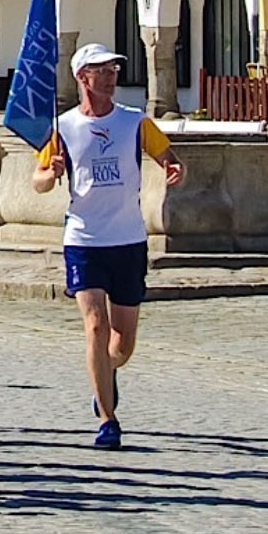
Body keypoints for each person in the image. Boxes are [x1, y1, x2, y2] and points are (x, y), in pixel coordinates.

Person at [32, 43, 184, 450]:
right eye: (102, 70)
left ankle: (105, 371)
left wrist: (174, 169)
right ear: (83, 77)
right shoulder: (62, 127)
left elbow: (168, 156)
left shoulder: (135, 122)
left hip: (128, 239)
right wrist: (51, 173)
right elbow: (38, 180)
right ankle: (108, 419)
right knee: (95, 326)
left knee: (122, 344)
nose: (112, 76)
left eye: (114, 69)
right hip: (84, 239)